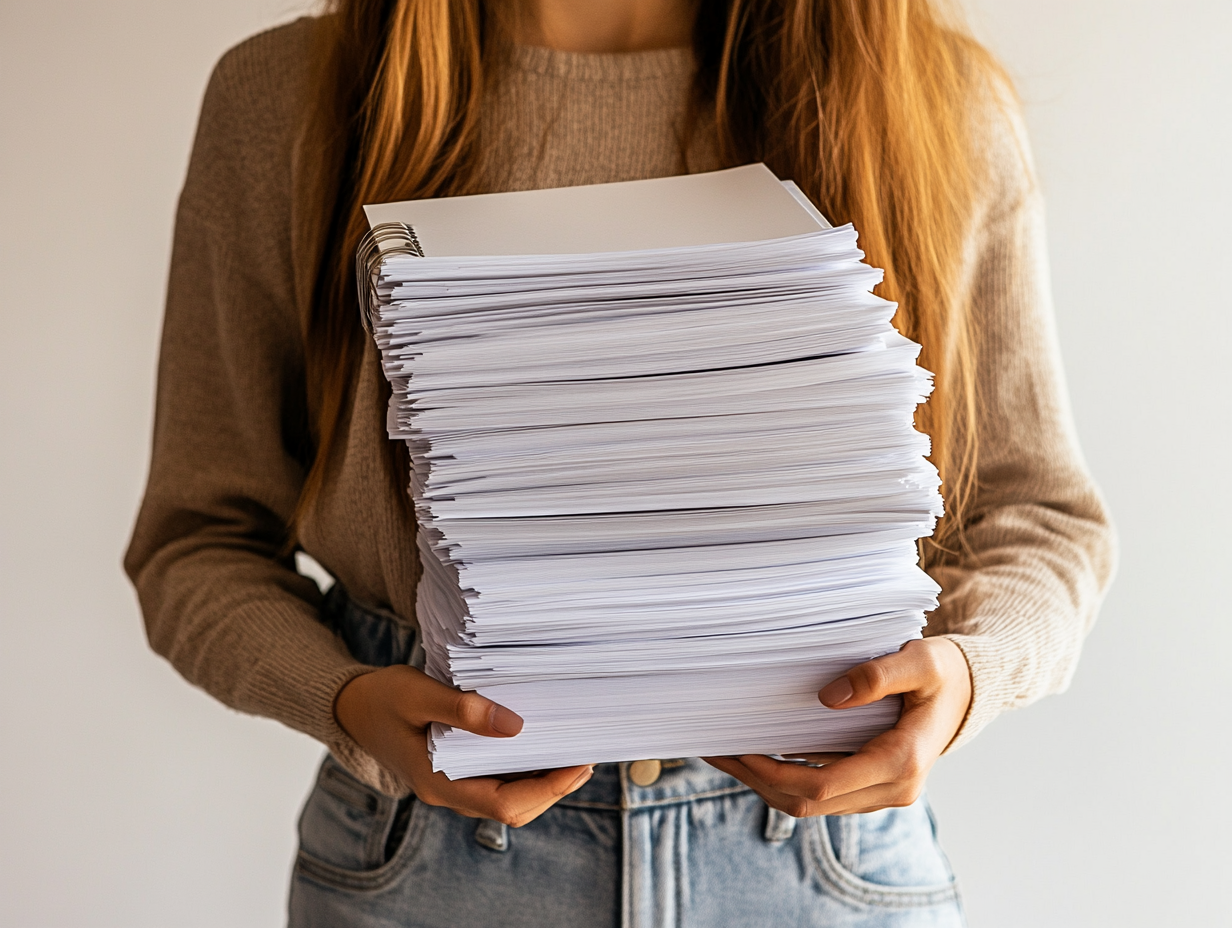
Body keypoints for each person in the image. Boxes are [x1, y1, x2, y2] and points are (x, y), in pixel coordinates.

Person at [124, 0, 1116, 925]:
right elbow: (196, 543)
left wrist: (966, 676)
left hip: (817, 857)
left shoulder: (931, 102)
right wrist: (344, 700)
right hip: (429, 860)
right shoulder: (287, 99)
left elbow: (1037, 522)